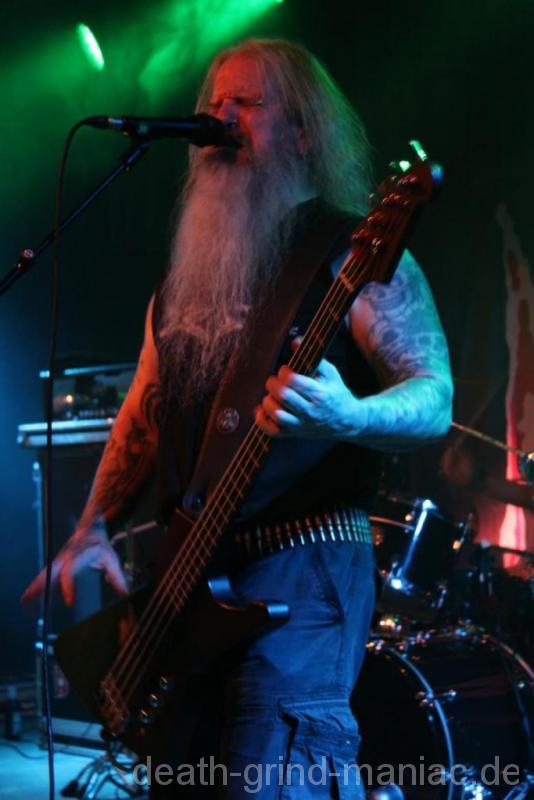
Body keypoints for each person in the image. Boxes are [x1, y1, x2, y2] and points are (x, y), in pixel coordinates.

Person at [23, 38, 453, 798]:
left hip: (303, 562)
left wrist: (349, 414)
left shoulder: (350, 250)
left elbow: (434, 395)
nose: (221, 119)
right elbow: (144, 412)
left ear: (304, 133)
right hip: (194, 571)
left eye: (246, 104)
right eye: (213, 104)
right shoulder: (186, 278)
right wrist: (92, 526)